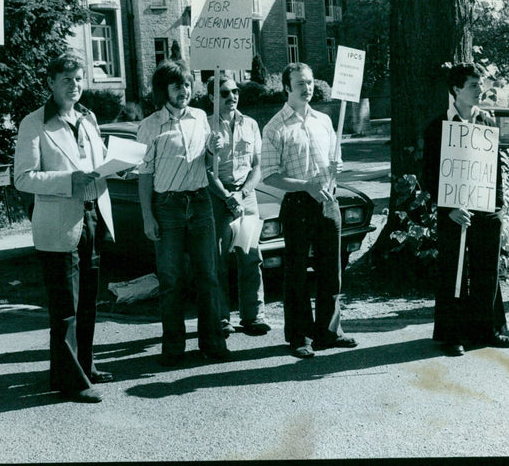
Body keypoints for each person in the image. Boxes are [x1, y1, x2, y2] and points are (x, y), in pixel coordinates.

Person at [14, 54, 115, 403]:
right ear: (51, 83)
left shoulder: (88, 118)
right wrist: (69, 180)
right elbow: (23, 178)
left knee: (88, 300)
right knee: (66, 307)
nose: (75, 85)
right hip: (58, 223)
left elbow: (98, 162)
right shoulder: (34, 123)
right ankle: (70, 381)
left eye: (79, 78)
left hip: (92, 216)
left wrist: (121, 167)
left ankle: (84, 366)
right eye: (67, 79)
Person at [260, 62, 358, 359]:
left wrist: (337, 166)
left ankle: (329, 331)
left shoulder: (325, 121)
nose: (308, 88)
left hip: (328, 202)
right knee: (298, 273)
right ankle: (300, 336)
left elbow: (333, 159)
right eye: (300, 83)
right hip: (299, 205)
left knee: (332, 269)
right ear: (287, 87)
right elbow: (269, 175)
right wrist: (305, 186)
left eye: (311, 82)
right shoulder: (276, 127)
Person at [137, 59, 230, 367]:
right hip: (168, 207)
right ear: (164, 90)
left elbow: (206, 161)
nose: (184, 91)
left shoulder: (201, 118)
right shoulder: (150, 126)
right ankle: (174, 346)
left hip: (200, 202)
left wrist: (214, 147)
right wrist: (148, 217)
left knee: (208, 275)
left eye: (188, 85)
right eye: (177, 86)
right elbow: (144, 174)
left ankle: (213, 342)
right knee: (171, 279)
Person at [421, 62, 509, 357]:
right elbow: (430, 174)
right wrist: (446, 208)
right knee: (454, 272)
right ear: (457, 89)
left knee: (488, 269)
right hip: (453, 211)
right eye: (473, 85)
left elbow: (494, 168)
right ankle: (453, 334)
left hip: (486, 208)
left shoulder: (487, 121)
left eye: (480, 84)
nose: (480, 90)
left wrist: (497, 206)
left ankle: (489, 329)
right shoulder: (438, 127)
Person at [205, 74, 271, 337]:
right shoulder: (206, 126)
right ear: (212, 97)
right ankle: (221, 318)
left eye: (234, 91)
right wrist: (226, 196)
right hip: (217, 198)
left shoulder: (251, 124)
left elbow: (258, 165)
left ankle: (254, 316)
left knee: (251, 256)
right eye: (223, 93)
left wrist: (243, 192)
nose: (231, 96)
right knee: (218, 260)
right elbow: (205, 171)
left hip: (246, 196)